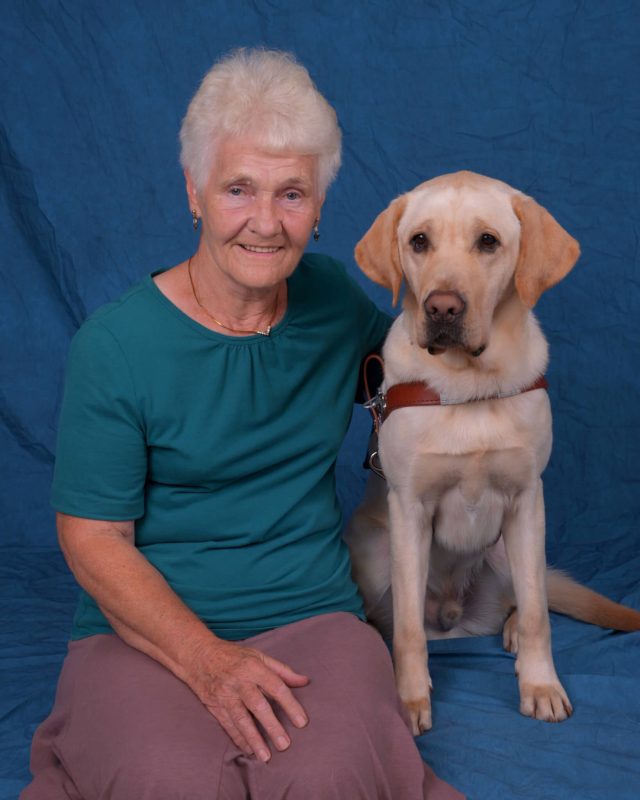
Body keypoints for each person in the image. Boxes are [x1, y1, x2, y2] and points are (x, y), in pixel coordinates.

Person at [21, 48, 464, 800]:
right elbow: (92, 538)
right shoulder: (117, 346)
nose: (265, 222)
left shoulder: (329, 299)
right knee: (174, 784)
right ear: (194, 192)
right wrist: (207, 660)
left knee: (331, 781)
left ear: (320, 206)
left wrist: (424, 426)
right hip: (145, 636)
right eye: (239, 189)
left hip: (312, 615)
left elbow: (399, 380)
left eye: (292, 194)